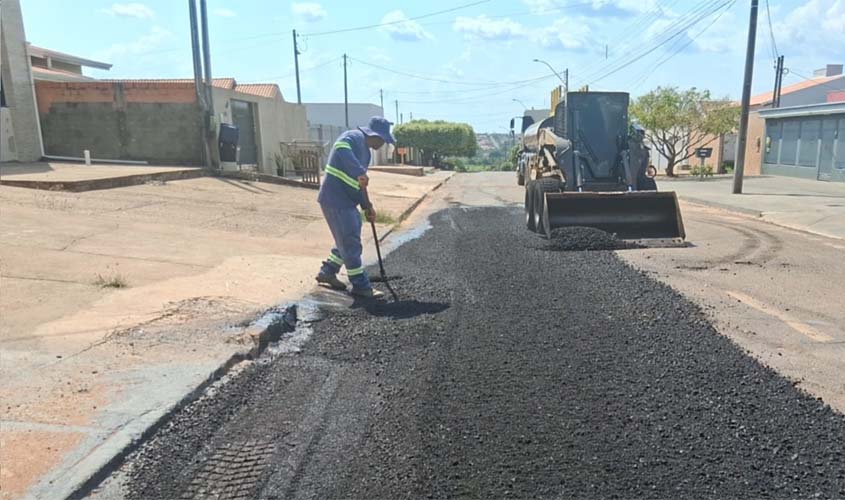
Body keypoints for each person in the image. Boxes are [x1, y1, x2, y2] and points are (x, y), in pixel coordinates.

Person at [315, 116, 395, 298]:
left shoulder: (365, 152)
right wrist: (358, 171)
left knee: (349, 235)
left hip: (346, 201)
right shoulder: (353, 137)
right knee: (350, 242)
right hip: (335, 200)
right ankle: (360, 285)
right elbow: (341, 147)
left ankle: (328, 271)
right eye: (383, 140)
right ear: (374, 135)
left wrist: (368, 207)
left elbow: (360, 185)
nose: (383, 144)